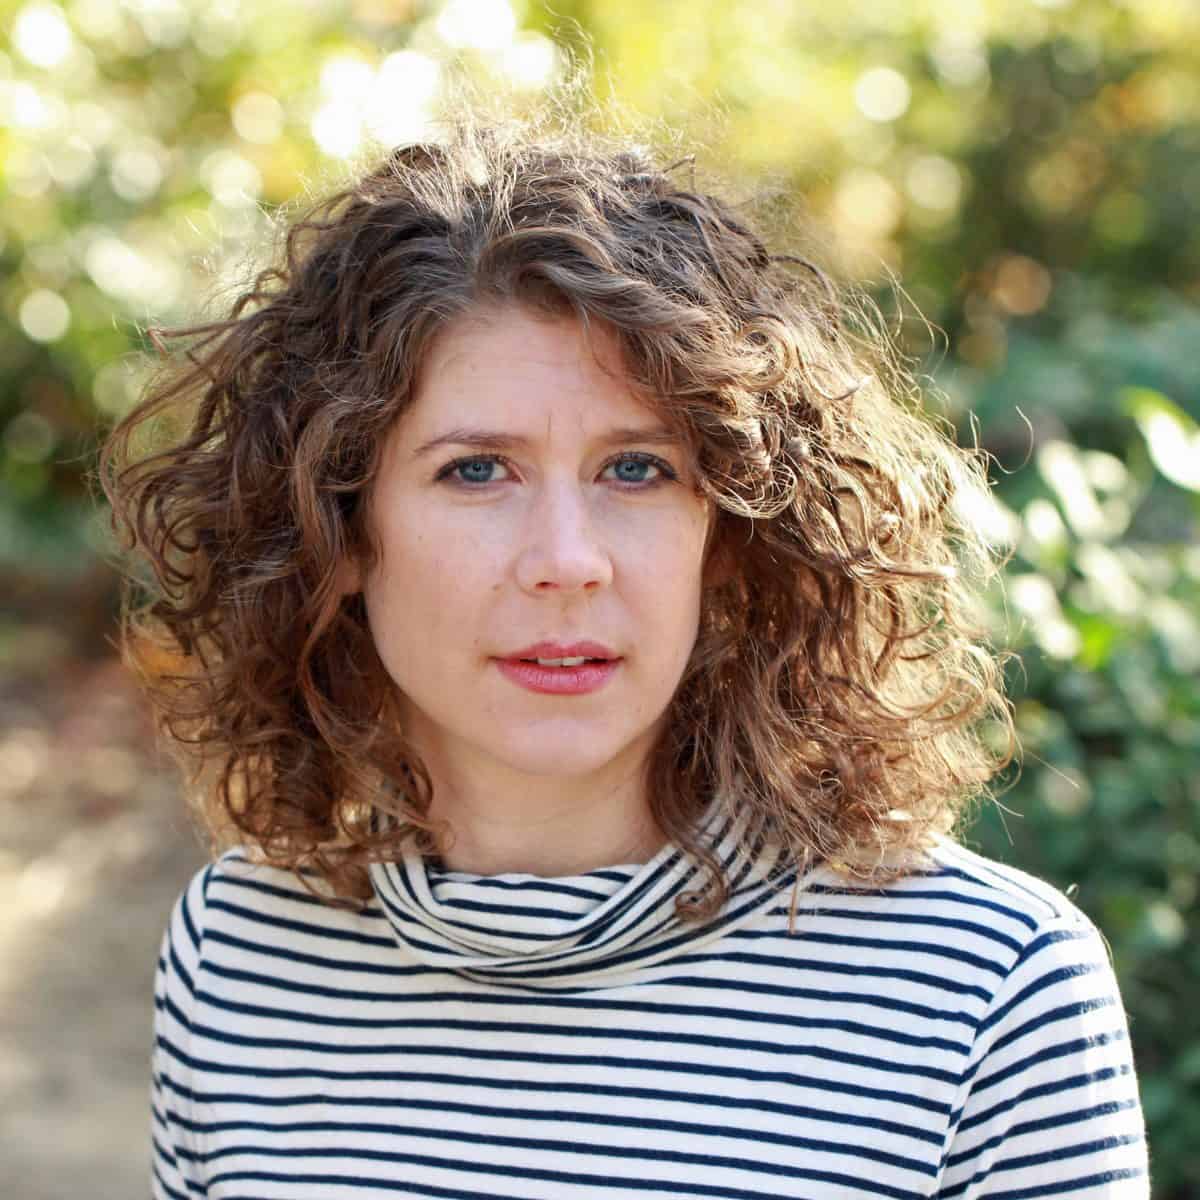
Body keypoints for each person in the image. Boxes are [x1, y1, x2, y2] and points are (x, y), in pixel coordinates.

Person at [102, 109, 1150, 1199]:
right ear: (338, 530)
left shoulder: (987, 994)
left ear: (728, 530)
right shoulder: (240, 960)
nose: (568, 561)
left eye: (636, 470)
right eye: (476, 471)